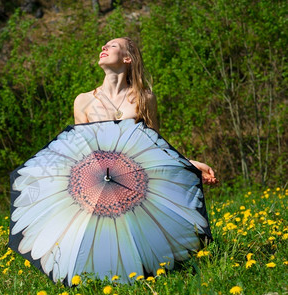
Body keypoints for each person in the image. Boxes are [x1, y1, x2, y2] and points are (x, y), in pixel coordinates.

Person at [73, 37, 218, 185]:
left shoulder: (144, 98)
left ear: (127, 58)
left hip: (134, 179)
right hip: (99, 183)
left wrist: (189, 164)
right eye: (105, 45)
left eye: (112, 46)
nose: (104, 47)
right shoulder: (83, 101)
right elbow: (80, 153)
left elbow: (156, 146)